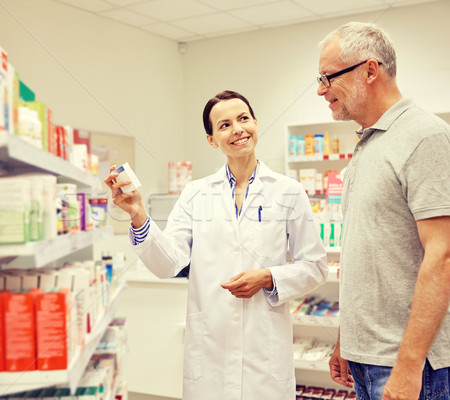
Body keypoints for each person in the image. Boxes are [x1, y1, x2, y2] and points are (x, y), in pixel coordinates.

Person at [105, 90, 328, 400]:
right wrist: (139, 215)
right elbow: (169, 262)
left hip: (264, 353)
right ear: (212, 139)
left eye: (243, 119)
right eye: (224, 125)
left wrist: (268, 277)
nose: (237, 129)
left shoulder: (289, 191)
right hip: (211, 351)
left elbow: (315, 266)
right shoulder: (196, 193)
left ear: (255, 123)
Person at [317, 22, 450, 400]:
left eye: (327, 78)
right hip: (368, 356)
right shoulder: (369, 145)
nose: (321, 90)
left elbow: (443, 256)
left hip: (411, 364)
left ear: (370, 70)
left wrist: (408, 366)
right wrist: (346, 340)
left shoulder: (425, 137)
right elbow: (365, 253)